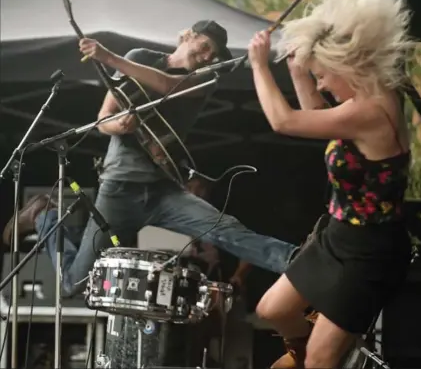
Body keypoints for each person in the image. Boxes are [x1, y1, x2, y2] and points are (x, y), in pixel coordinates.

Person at [3, 20, 298, 296]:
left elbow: (169, 86)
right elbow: (103, 117)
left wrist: (109, 58)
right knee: (74, 284)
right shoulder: (140, 56)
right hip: (118, 188)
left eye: (215, 54)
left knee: (226, 229)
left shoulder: (206, 78)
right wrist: (118, 125)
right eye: (206, 47)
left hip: (164, 190)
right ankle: (44, 217)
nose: (209, 57)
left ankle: (296, 260)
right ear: (189, 36)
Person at [247, 0, 415, 368]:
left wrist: (260, 64)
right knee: (273, 311)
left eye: (323, 75)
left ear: (346, 66)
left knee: (320, 360)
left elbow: (285, 120)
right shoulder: (358, 102)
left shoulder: (374, 110)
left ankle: (324, 354)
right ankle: (318, 352)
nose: (321, 83)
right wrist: (297, 70)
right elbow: (314, 114)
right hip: (336, 235)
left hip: (370, 251)